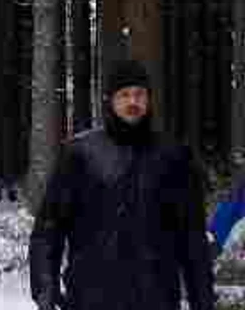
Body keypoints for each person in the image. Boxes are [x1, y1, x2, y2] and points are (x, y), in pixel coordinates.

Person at [29, 59, 215, 310]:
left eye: (139, 94)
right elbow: (48, 231)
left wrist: (202, 301)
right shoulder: (80, 155)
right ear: (110, 100)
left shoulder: (174, 157)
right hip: (90, 300)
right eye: (124, 94)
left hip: (156, 300)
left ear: (149, 99)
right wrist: (45, 290)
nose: (133, 102)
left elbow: (193, 241)